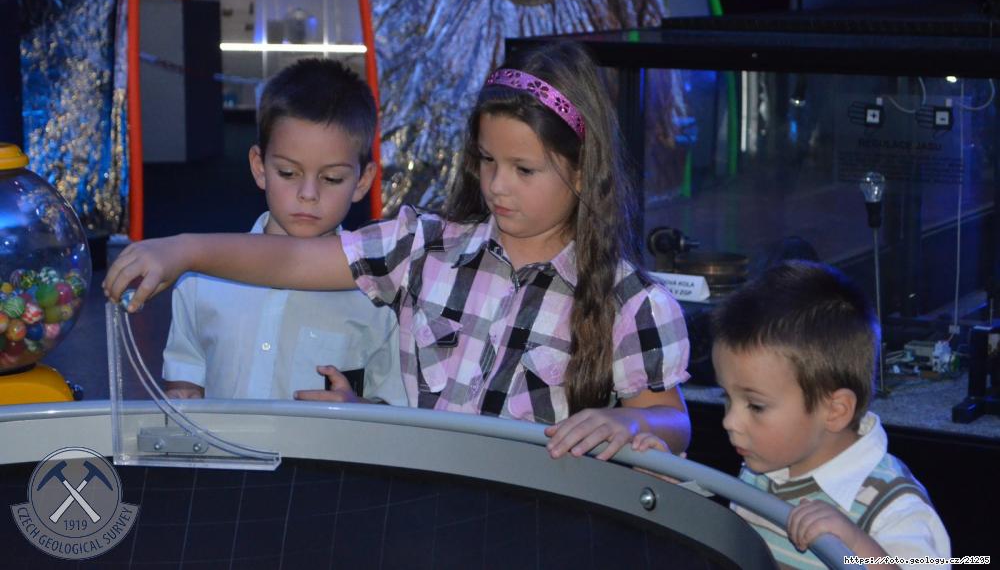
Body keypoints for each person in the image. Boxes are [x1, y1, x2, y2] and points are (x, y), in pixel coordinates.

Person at [105, 41, 692, 459]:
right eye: (488, 160)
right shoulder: (423, 247)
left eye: (524, 169)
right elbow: (292, 260)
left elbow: (672, 419)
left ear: (584, 172)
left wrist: (625, 421)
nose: (497, 185)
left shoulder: (632, 302)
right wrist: (183, 249)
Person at [161, 58, 404, 405]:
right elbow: (184, 374)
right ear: (260, 167)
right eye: (288, 173)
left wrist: (358, 408)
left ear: (362, 181)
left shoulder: (378, 297)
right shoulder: (202, 280)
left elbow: (396, 407)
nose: (308, 194)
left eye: (332, 178)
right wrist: (183, 395)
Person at [710, 261, 949, 568]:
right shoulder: (763, 466)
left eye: (756, 406)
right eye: (727, 397)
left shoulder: (892, 507)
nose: (729, 421)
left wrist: (855, 543)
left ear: (835, 411)